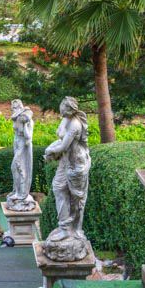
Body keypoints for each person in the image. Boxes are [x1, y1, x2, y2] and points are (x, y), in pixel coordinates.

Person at [44, 97, 91, 241]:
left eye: (63, 106)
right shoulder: (66, 118)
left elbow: (64, 146)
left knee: (77, 199)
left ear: (69, 108)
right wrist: (51, 148)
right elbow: (60, 137)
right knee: (58, 188)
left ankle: (75, 229)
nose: (60, 108)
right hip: (66, 160)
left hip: (76, 163)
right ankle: (64, 228)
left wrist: (49, 152)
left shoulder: (75, 124)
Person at [6, 99, 36, 211]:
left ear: (19, 106)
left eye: (14, 107)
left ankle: (22, 194)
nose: (12, 110)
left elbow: (27, 134)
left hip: (23, 143)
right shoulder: (17, 115)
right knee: (17, 168)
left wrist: (22, 117)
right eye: (12, 108)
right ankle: (17, 191)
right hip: (17, 141)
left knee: (17, 166)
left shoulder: (25, 115)